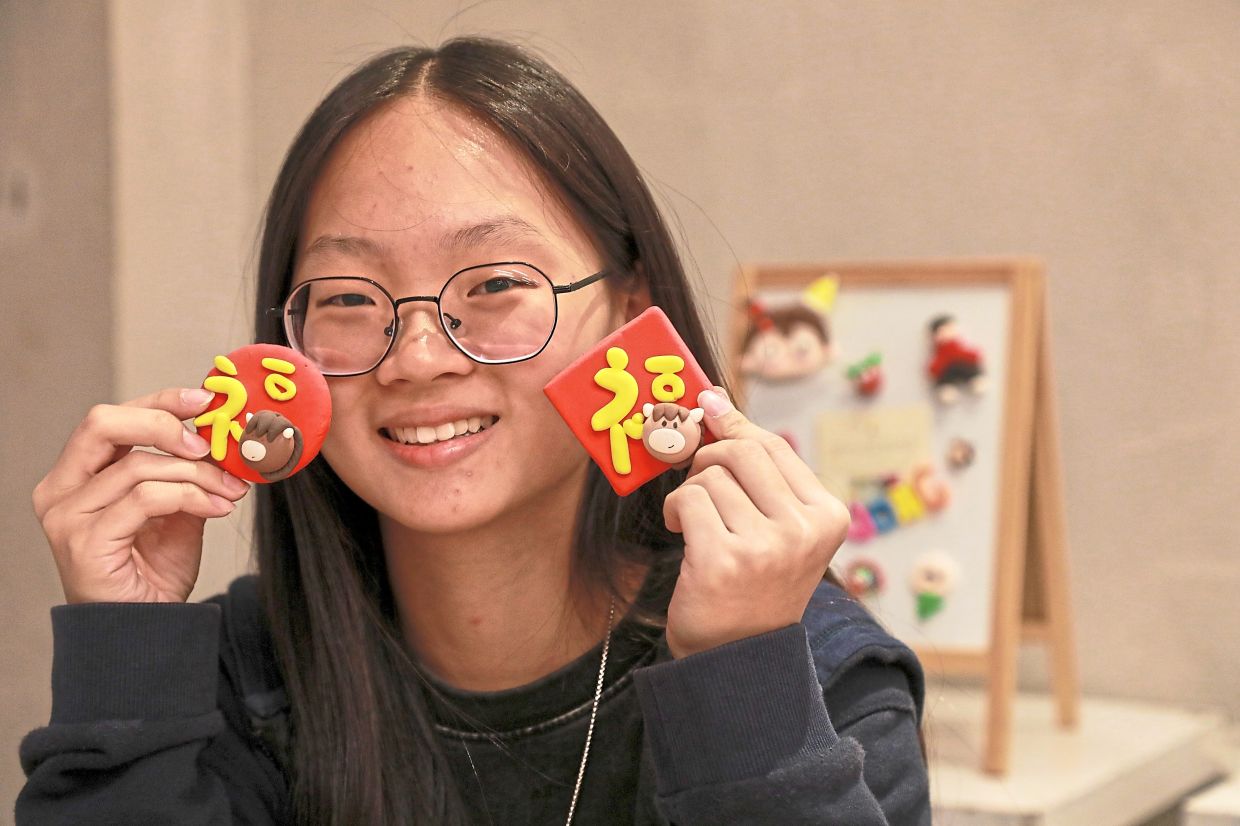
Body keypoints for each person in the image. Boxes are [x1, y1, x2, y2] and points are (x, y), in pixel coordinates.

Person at [18, 38, 930, 825]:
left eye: (494, 284)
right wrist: (122, 654)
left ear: (629, 315)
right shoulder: (241, 680)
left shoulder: (809, 671)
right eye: (345, 297)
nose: (416, 357)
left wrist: (739, 679)